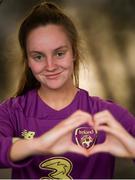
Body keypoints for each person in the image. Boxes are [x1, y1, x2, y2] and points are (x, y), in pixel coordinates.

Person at [0, 1, 135, 179]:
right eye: (38, 56)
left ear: (74, 53)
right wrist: (37, 145)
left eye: (59, 53)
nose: (50, 66)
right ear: (28, 61)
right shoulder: (12, 112)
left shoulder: (106, 115)